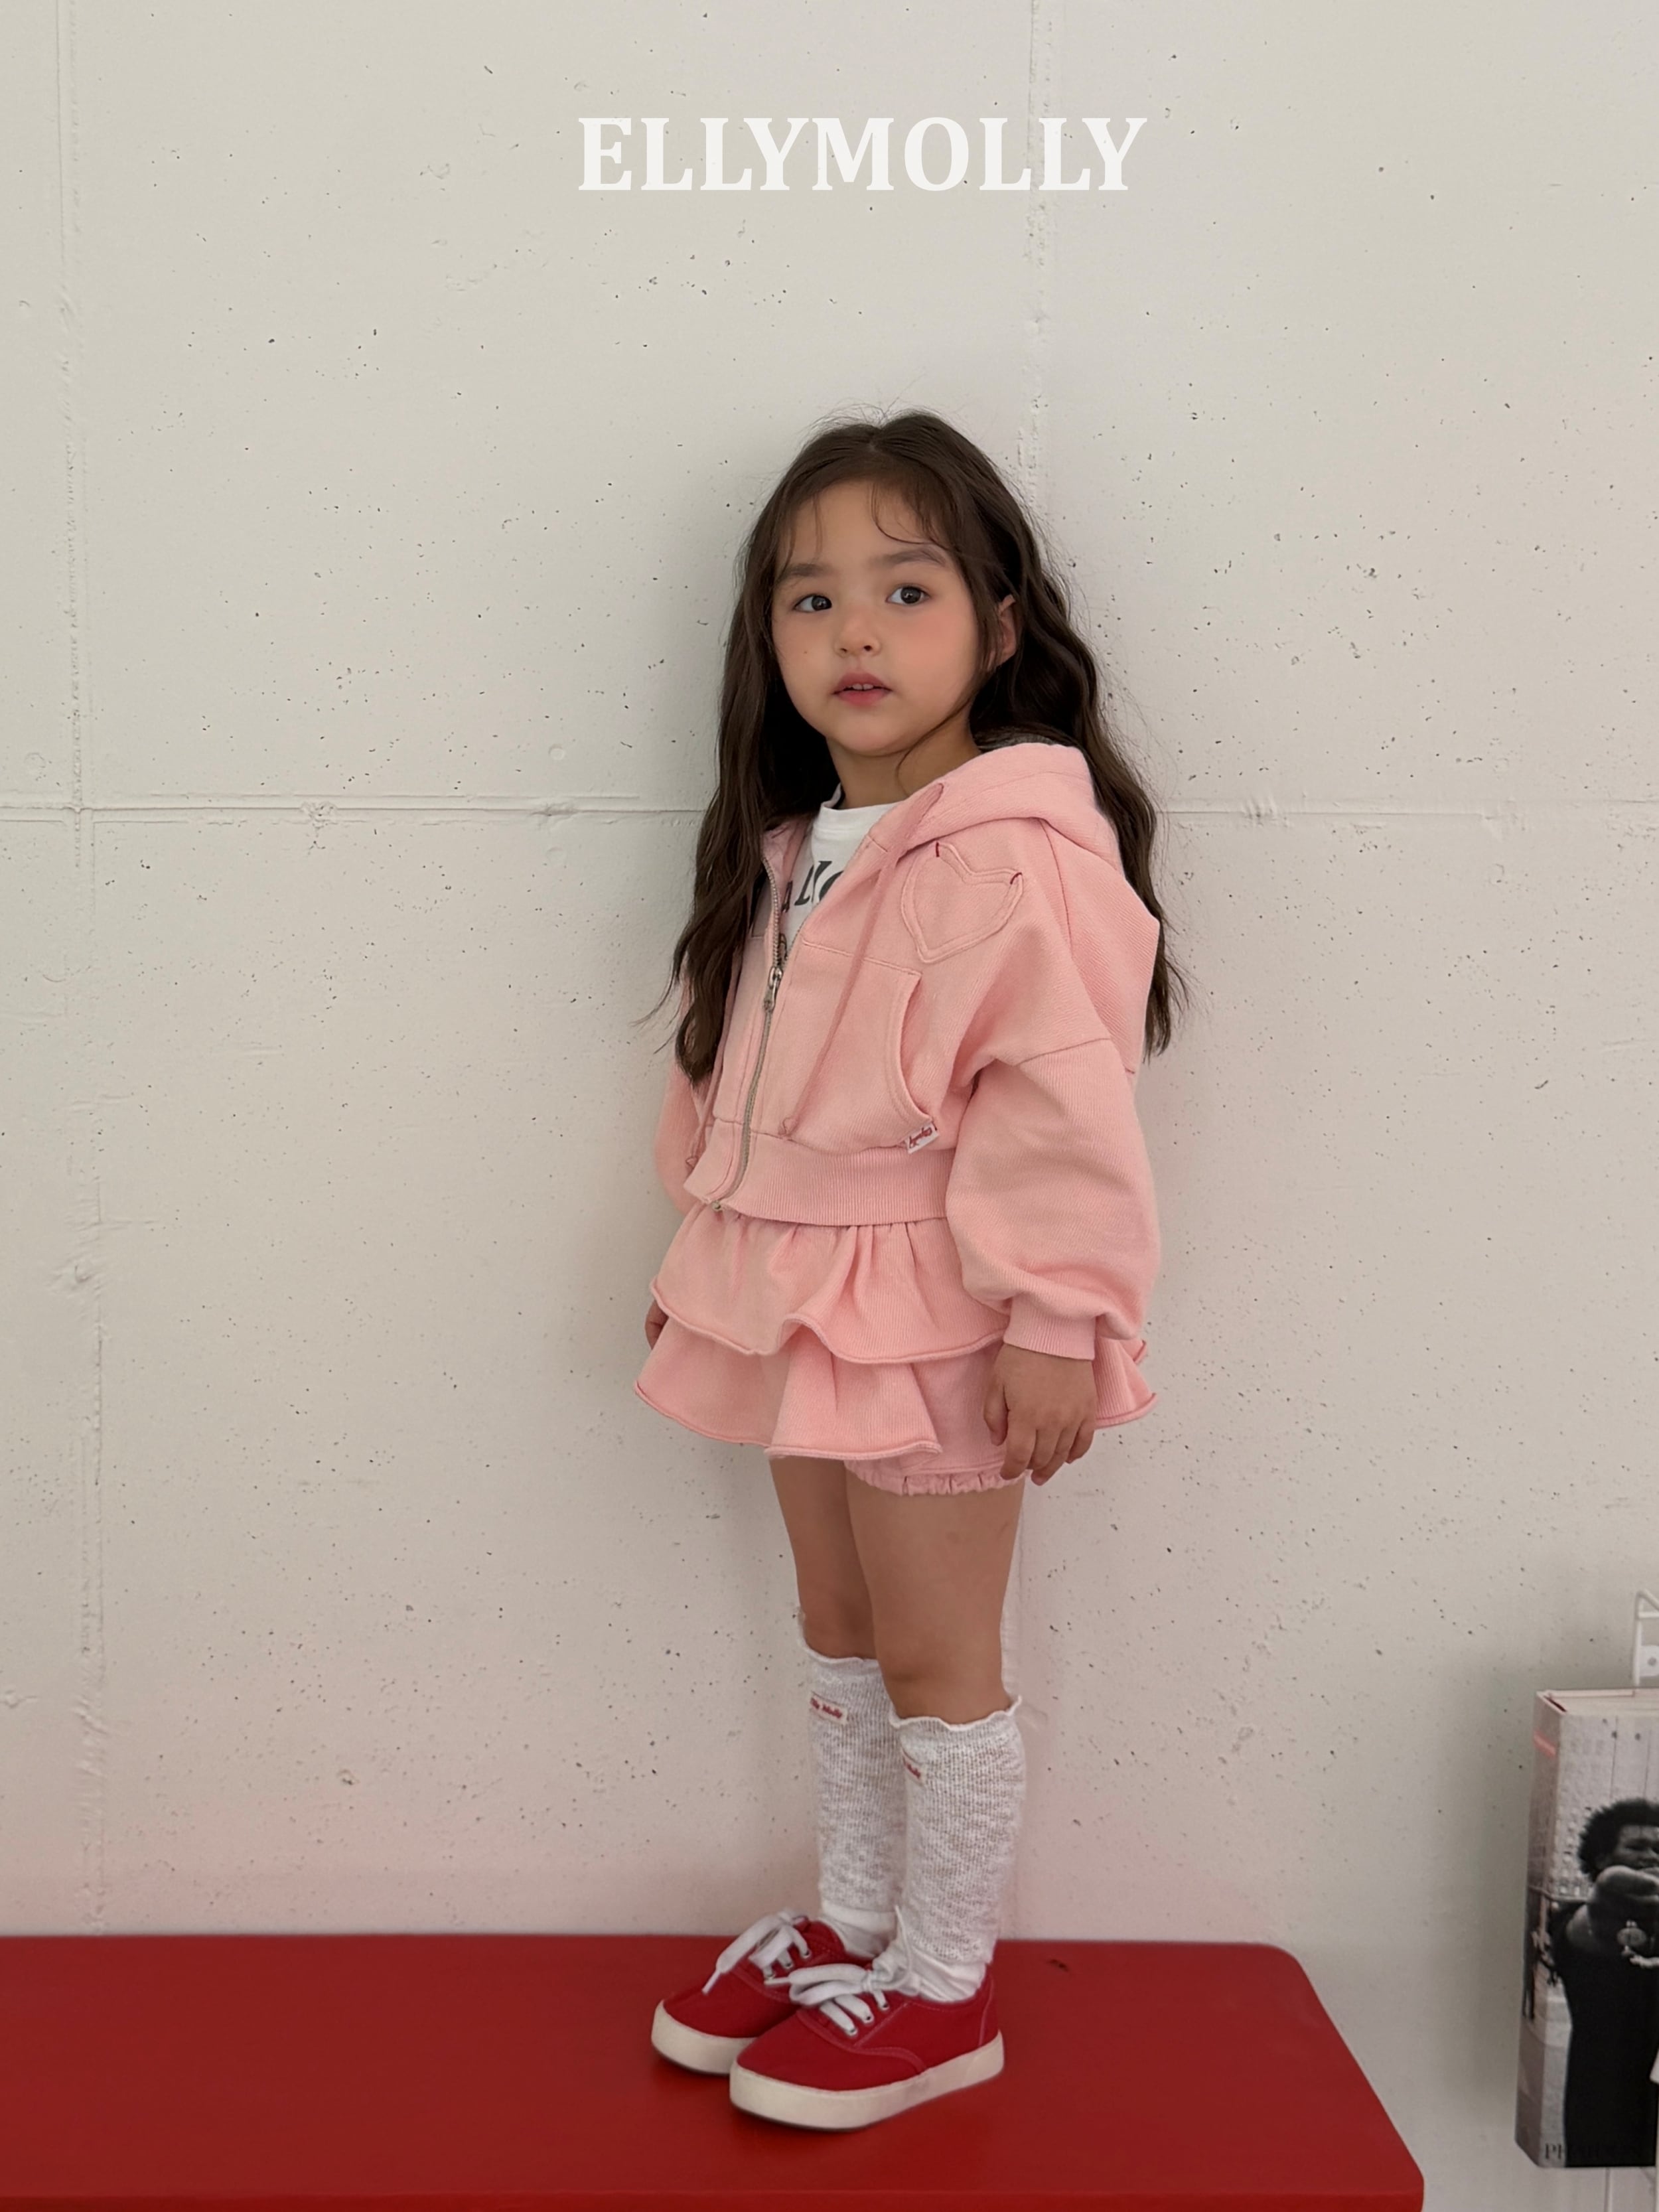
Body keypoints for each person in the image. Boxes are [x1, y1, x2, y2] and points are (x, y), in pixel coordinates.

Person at [633, 408, 1187, 2132]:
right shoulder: (798, 845)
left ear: (999, 626)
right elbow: (742, 1076)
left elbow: (1056, 1101)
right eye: (809, 599)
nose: (853, 632)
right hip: (795, 1294)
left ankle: (943, 1986)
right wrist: (708, 1255)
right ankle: (855, 1921)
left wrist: (1055, 1314)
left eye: (904, 588)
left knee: (941, 1655)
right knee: (842, 1623)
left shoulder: (1008, 853)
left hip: (940, 1307)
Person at [1546, 1799, 1659, 2166]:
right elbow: (1586, 1930)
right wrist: (1605, 1919)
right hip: (1605, 2113)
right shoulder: (1570, 1919)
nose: (1651, 1857)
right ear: (1601, 1858)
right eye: (1637, 1847)